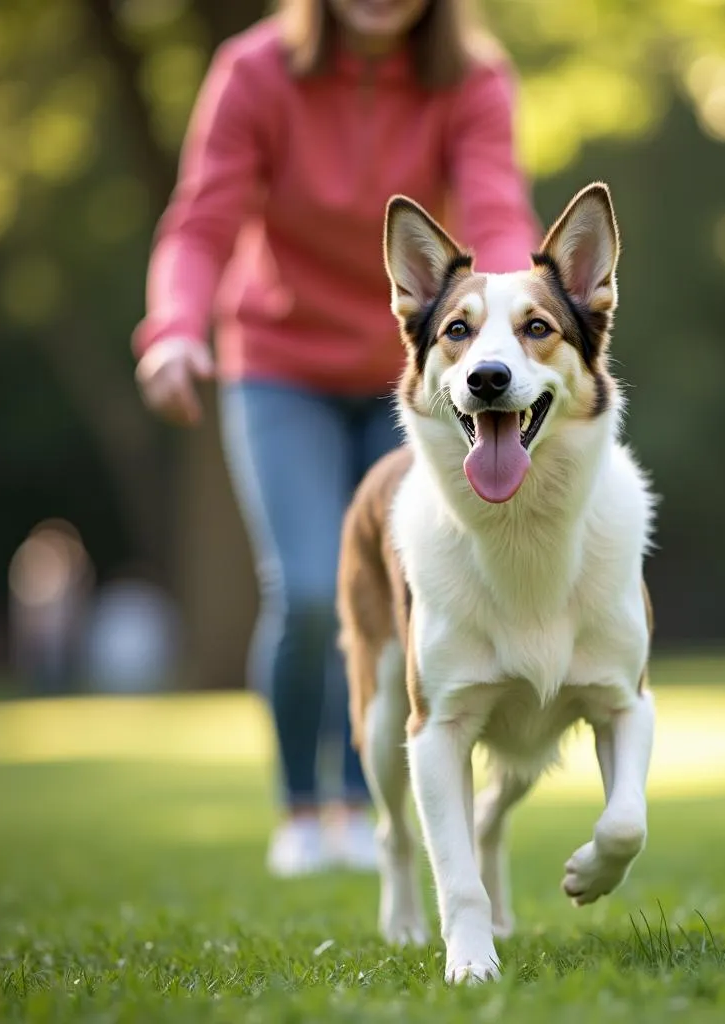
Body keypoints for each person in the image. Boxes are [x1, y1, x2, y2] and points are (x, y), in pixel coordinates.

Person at [132, 0, 541, 878]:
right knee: (311, 588)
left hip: (418, 381)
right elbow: (203, 219)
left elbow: (498, 209)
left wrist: (515, 325)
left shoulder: (471, 76)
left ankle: (359, 804)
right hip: (279, 366)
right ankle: (299, 806)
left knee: (400, 596)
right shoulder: (254, 71)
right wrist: (173, 327)